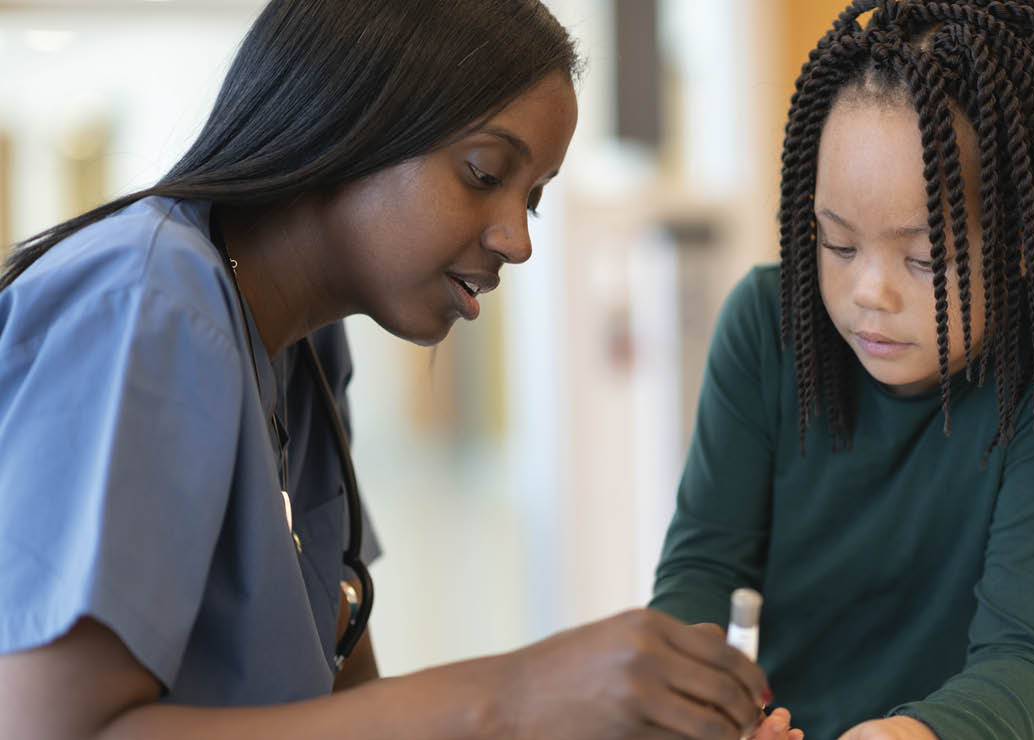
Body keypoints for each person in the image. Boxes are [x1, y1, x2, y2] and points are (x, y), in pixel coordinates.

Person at [0, 1, 804, 738]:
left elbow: (348, 710)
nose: (516, 241)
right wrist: (516, 695)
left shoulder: (304, 352)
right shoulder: (148, 303)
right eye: (484, 174)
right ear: (345, 116)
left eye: (532, 199)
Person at [649, 1, 1034, 738]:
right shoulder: (766, 325)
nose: (869, 291)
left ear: (1020, 250)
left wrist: (908, 734)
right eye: (835, 244)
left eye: (925, 259)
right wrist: (690, 700)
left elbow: (1026, 660)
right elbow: (701, 567)